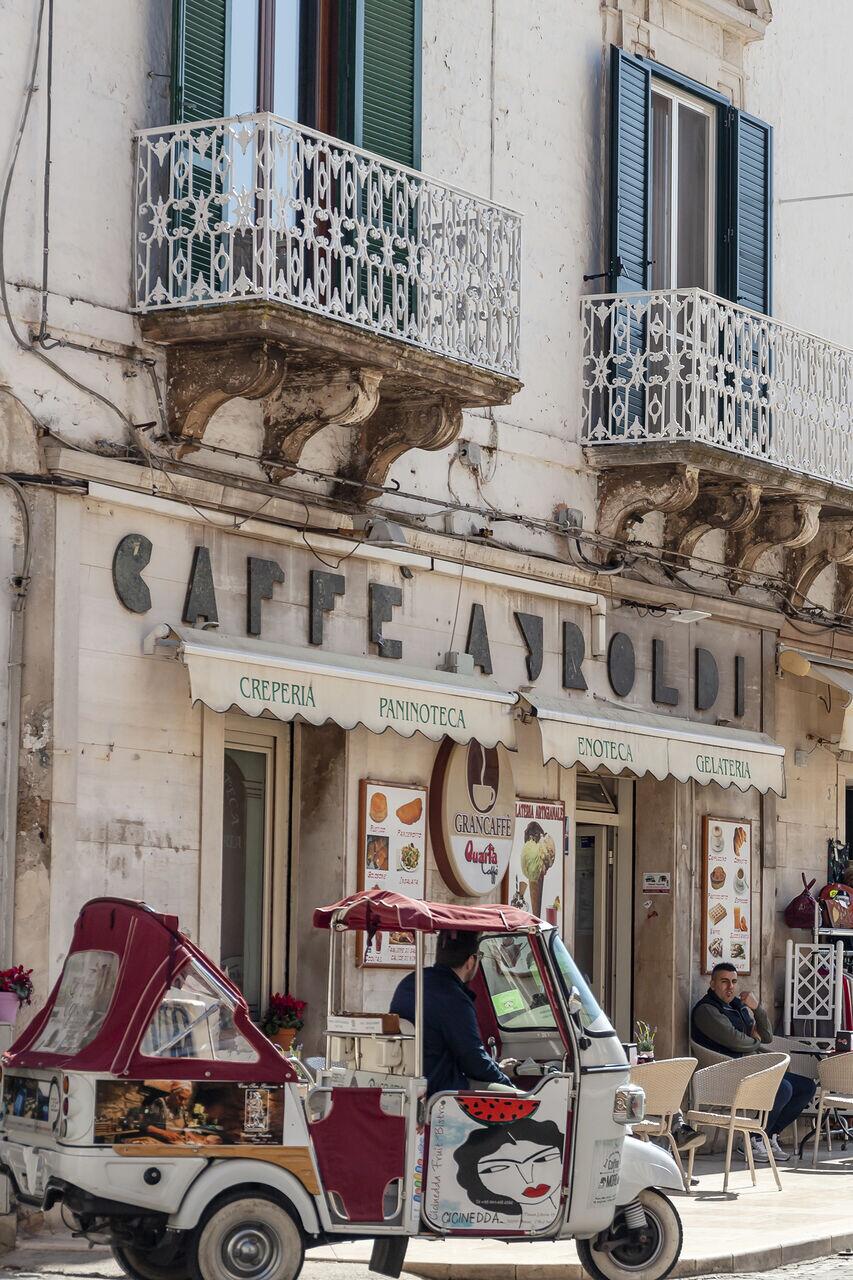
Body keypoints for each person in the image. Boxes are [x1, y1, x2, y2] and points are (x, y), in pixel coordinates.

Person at [691, 961, 816, 1163]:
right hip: (725, 1075)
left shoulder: (736, 1006)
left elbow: (766, 1036)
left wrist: (757, 1008)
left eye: (733, 982)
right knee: (782, 1088)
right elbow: (737, 1042)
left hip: (751, 1069)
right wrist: (754, 1039)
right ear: (712, 984)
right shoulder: (707, 1010)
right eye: (724, 982)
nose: (730, 987)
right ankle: (753, 1138)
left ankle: (767, 1135)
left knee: (806, 1087)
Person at [390, 930, 514, 1096]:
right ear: (471, 961)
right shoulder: (454, 998)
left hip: (410, 1082)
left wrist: (496, 1067)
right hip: (443, 1088)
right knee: (526, 1103)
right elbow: (473, 1061)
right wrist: (508, 1083)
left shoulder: (411, 982)